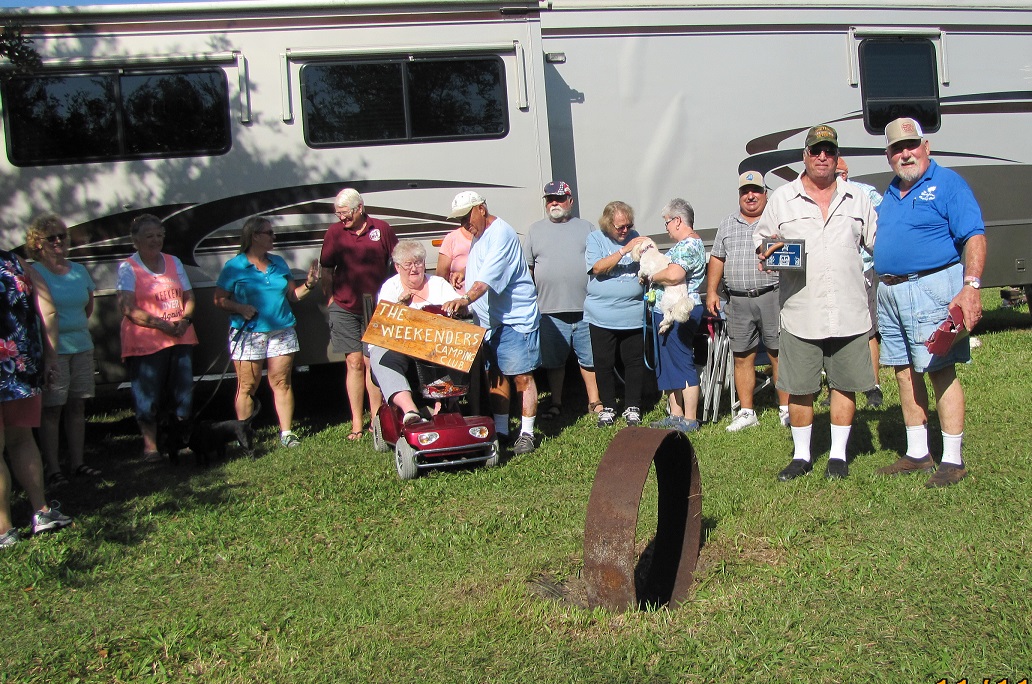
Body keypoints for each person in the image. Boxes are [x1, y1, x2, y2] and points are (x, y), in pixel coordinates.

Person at [753, 124, 877, 481]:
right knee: (800, 388)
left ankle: (838, 456)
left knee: (845, 384)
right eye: (815, 150)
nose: (823, 156)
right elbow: (762, 241)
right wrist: (767, 251)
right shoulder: (782, 198)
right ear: (804, 156)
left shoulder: (858, 198)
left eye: (829, 150)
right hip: (801, 312)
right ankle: (802, 456)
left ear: (837, 157)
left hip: (849, 310)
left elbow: (878, 241)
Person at [873, 117, 986, 487]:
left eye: (911, 145)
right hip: (891, 291)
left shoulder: (947, 183)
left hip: (931, 288)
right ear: (888, 155)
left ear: (926, 147)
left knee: (939, 368)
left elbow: (974, 235)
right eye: (896, 149)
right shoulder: (892, 192)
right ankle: (918, 453)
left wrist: (970, 286)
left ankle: (953, 459)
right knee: (904, 371)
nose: (905, 154)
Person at [442, 192, 541, 455]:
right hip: (491, 321)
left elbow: (486, 281)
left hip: (515, 319)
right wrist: (464, 274)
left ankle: (528, 433)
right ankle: (501, 430)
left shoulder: (501, 234)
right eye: (460, 220)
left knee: (521, 375)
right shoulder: (479, 233)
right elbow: (481, 270)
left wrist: (464, 298)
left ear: (481, 209)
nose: (464, 223)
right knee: (497, 377)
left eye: (467, 216)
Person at [214, 217, 320, 448]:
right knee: (248, 386)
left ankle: (287, 433)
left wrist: (310, 284)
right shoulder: (235, 266)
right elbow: (219, 299)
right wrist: (240, 308)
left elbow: (293, 296)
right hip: (249, 333)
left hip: (282, 330)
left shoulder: (278, 263)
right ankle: (245, 434)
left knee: (282, 382)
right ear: (254, 236)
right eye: (269, 233)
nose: (274, 237)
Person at [706, 172, 790, 432]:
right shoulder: (727, 224)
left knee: (778, 353)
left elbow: (794, 253)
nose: (750, 196)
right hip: (738, 301)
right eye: (745, 191)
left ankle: (785, 408)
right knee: (742, 356)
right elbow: (717, 259)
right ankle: (747, 411)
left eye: (756, 191)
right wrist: (711, 292)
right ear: (740, 195)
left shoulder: (778, 221)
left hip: (772, 295)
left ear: (766, 194)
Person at [0, 248, 72, 548]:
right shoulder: (16, 263)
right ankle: (41, 511)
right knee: (22, 439)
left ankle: (4, 529)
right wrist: (50, 356)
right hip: (21, 363)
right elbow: (48, 310)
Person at [25, 214, 100, 487]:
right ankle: (53, 468)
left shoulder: (79, 270)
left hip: (81, 345)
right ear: (37, 243)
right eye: (51, 238)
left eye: (62, 236)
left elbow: (87, 307)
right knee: (52, 409)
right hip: (52, 350)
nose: (58, 241)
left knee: (77, 406)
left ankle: (79, 463)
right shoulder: (34, 272)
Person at [116, 214, 199, 463]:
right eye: (149, 236)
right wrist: (163, 325)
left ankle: (183, 441)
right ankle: (150, 447)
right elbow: (128, 308)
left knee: (183, 393)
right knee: (147, 395)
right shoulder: (128, 268)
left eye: (160, 235)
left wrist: (184, 320)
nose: (156, 240)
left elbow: (189, 297)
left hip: (180, 336)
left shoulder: (174, 262)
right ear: (135, 240)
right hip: (146, 341)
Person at [320, 188, 398, 441]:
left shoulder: (382, 229)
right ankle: (356, 423)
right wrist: (330, 297)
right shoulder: (334, 233)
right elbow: (327, 268)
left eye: (345, 213)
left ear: (360, 208)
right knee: (353, 362)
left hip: (376, 307)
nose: (341, 218)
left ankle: (377, 420)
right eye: (338, 214)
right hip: (345, 307)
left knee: (370, 362)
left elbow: (397, 264)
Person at [524, 180, 602, 420]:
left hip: (585, 308)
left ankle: (595, 402)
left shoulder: (587, 228)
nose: (554, 203)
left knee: (589, 358)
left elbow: (599, 263)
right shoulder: (535, 230)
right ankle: (556, 402)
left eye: (558, 198)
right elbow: (527, 269)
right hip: (548, 310)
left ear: (571, 201)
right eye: (549, 199)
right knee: (554, 362)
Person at [370, 240, 457, 422]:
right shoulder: (390, 287)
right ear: (397, 267)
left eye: (418, 263)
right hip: (400, 346)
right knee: (380, 355)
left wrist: (456, 307)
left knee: (458, 352)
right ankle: (411, 410)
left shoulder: (438, 284)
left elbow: (461, 307)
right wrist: (401, 305)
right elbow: (384, 323)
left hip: (435, 347)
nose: (414, 268)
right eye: (408, 264)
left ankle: (441, 408)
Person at [584, 201, 650, 427]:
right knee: (603, 362)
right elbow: (597, 268)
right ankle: (609, 407)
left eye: (628, 226)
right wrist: (624, 250)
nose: (625, 231)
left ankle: (632, 406)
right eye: (620, 227)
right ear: (607, 224)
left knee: (633, 362)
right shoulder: (595, 239)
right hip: (602, 314)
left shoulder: (635, 236)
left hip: (632, 313)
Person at [647, 198, 707, 433]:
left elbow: (673, 275)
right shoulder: (682, 245)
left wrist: (653, 276)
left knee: (681, 361)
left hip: (681, 310)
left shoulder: (689, 245)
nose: (667, 227)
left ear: (678, 220)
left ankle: (690, 419)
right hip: (664, 311)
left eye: (667, 222)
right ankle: (675, 414)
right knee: (667, 363)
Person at [836, 157, 885, 408]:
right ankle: (839, 386)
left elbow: (885, 222)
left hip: (863, 271)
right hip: (833, 278)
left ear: (846, 173)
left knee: (868, 330)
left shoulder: (865, 194)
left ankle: (873, 387)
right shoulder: (822, 197)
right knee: (837, 333)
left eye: (839, 173)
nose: (836, 177)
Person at [436, 223, 473, 295]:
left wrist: (464, 271)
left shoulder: (486, 237)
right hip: (458, 298)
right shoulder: (452, 238)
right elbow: (441, 277)